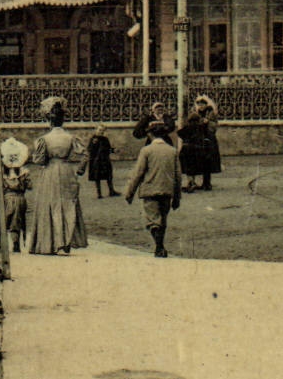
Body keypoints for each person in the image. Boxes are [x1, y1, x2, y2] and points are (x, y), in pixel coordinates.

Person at [28, 97, 87, 255]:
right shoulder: (71, 138)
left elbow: (39, 160)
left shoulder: (45, 139)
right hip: (67, 171)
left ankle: (53, 243)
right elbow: (84, 154)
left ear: (49, 121)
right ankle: (65, 243)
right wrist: (80, 170)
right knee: (68, 205)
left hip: (50, 171)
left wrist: (42, 158)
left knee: (51, 205)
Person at [124, 119, 183, 258]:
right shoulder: (172, 151)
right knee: (163, 219)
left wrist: (129, 193)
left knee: (153, 221)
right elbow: (178, 176)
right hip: (167, 191)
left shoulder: (146, 150)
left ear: (151, 135)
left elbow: (138, 173)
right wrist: (177, 197)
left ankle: (159, 246)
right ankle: (160, 246)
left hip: (150, 191)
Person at [179, 94, 223, 192]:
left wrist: (208, 123)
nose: (201, 106)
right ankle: (193, 182)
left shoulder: (210, 113)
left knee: (208, 161)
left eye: (203, 104)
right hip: (197, 140)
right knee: (198, 160)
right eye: (199, 104)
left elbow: (215, 126)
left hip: (208, 139)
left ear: (206, 105)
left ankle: (207, 183)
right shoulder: (194, 113)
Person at [2, 163, 31, 251]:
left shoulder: (3, 173)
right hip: (21, 198)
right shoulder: (23, 172)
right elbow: (30, 186)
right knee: (17, 220)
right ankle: (16, 242)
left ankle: (11, 243)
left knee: (9, 220)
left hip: (8, 198)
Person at [80, 124, 114, 199]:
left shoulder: (105, 139)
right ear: (96, 130)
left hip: (105, 159)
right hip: (96, 160)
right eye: (99, 130)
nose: (101, 132)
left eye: (102, 130)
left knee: (109, 175)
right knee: (97, 176)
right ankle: (99, 193)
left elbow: (109, 148)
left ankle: (111, 190)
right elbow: (90, 149)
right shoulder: (93, 139)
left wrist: (113, 150)